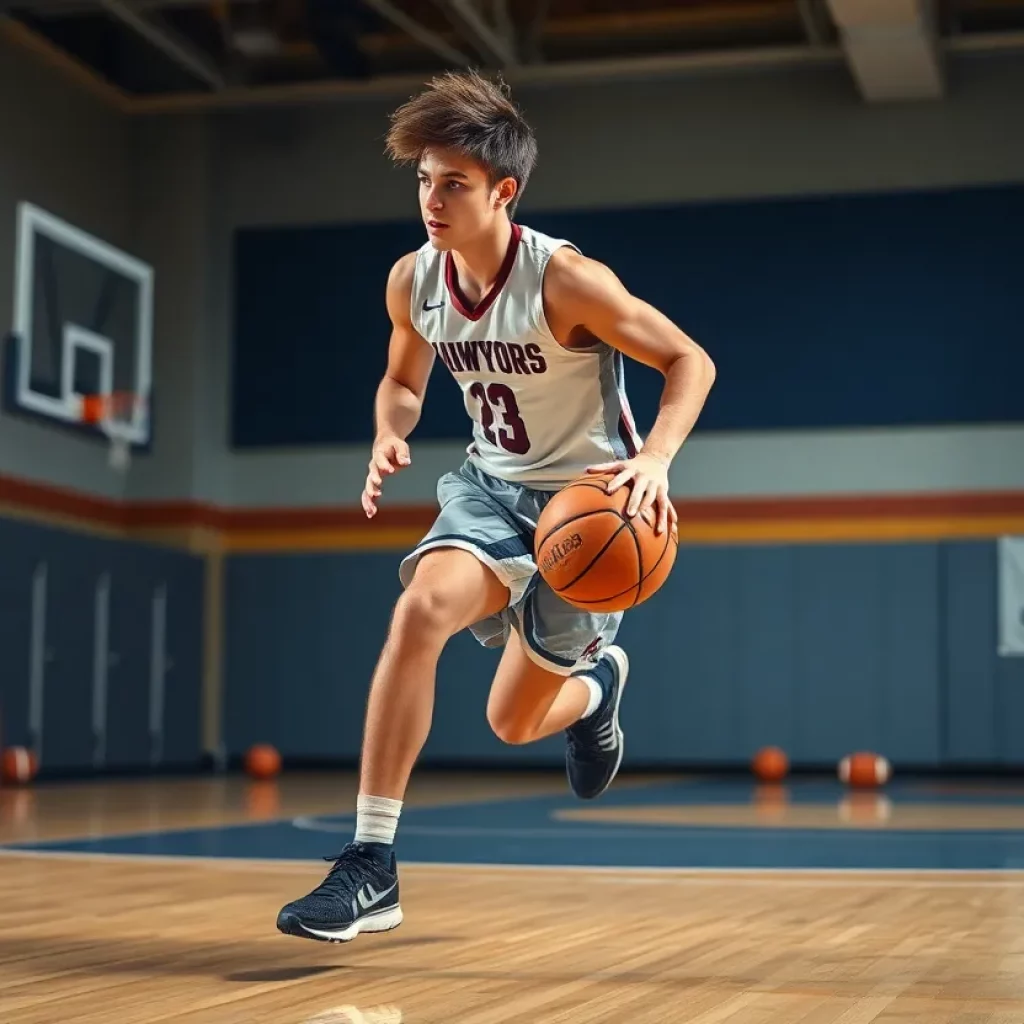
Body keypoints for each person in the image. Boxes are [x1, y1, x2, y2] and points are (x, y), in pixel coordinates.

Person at [277, 70, 716, 944]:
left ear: (503, 192)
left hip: (590, 509)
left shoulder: (568, 281)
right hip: (488, 488)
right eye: (422, 180)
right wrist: (387, 433)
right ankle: (371, 863)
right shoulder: (415, 281)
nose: (431, 200)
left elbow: (689, 361)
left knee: (512, 723)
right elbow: (403, 380)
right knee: (419, 611)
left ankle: (595, 695)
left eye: (453, 184)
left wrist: (657, 462)